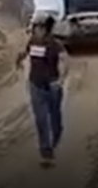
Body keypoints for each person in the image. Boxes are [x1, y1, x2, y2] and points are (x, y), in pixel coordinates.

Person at [15, 12, 67, 167]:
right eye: (36, 27)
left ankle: (56, 135)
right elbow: (25, 53)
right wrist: (18, 60)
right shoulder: (31, 42)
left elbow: (66, 62)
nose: (38, 31)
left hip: (52, 86)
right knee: (41, 120)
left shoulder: (55, 44)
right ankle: (46, 152)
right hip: (36, 85)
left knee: (54, 118)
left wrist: (61, 80)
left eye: (41, 28)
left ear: (47, 29)